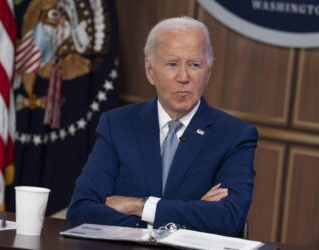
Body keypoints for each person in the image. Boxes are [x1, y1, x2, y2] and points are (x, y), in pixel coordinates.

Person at [67, 16, 258, 237]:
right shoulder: (117, 125)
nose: (184, 77)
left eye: (194, 65)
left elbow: (227, 219)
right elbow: (81, 210)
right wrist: (183, 215)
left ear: (208, 72)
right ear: (150, 71)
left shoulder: (234, 135)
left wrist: (140, 206)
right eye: (172, 64)